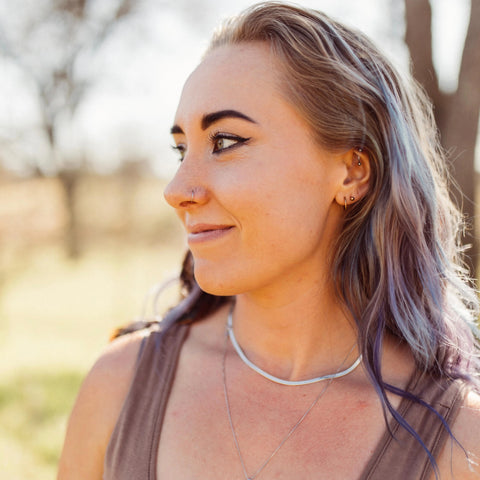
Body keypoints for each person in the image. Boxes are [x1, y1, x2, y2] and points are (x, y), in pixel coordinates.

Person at [57, 2, 480, 479]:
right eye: (181, 150)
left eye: (225, 142)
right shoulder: (118, 386)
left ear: (352, 170)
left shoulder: (460, 443)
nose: (176, 191)